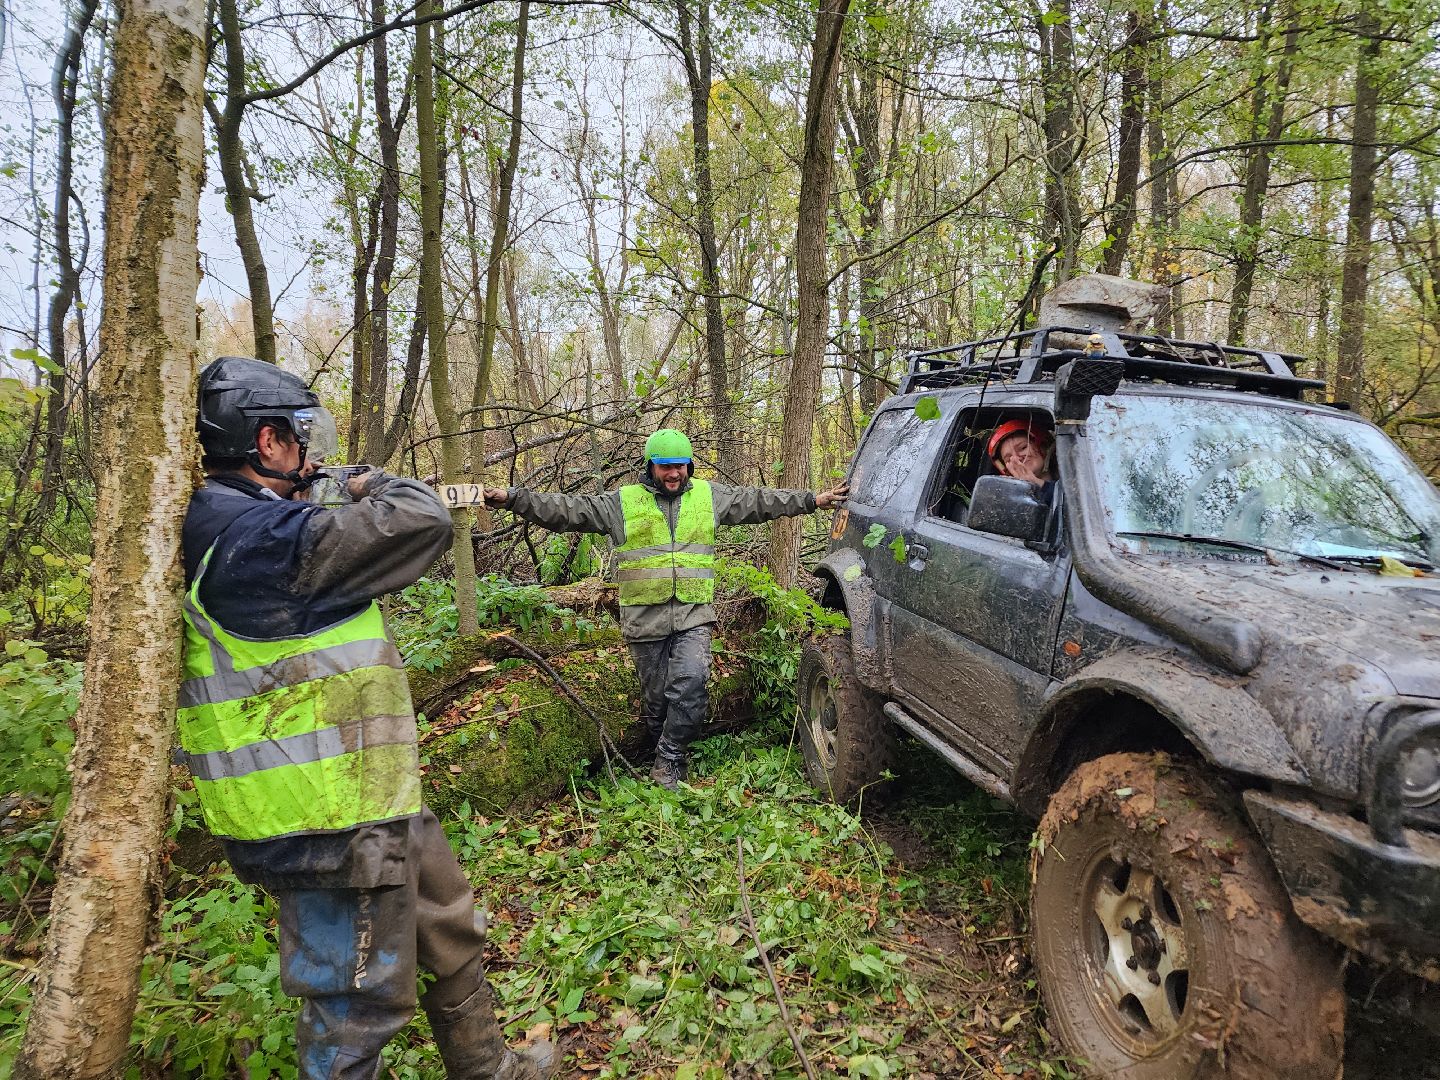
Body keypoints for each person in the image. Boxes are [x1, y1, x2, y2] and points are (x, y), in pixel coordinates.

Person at [177, 355, 556, 1080]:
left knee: (448, 927)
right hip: (322, 819)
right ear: (265, 443)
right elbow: (419, 519)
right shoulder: (257, 540)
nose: (308, 452)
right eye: (297, 437)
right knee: (355, 1006)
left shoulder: (255, 522)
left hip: (373, 798)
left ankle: (488, 1068)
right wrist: (368, 482)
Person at [483, 428, 848, 789]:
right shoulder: (621, 503)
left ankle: (669, 759)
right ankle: (664, 754)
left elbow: (758, 501)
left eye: (680, 465)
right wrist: (513, 498)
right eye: (665, 466)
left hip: (692, 615)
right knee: (656, 700)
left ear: (689, 465)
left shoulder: (708, 497)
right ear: (650, 467)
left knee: (691, 682)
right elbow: (566, 510)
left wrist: (813, 499)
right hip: (644, 619)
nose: (674, 473)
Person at [987, 418, 1055, 486]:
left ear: (1044, 445)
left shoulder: (1065, 480)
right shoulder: (1004, 495)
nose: (1017, 458)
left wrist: (1038, 484)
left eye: (1023, 448)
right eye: (1009, 459)